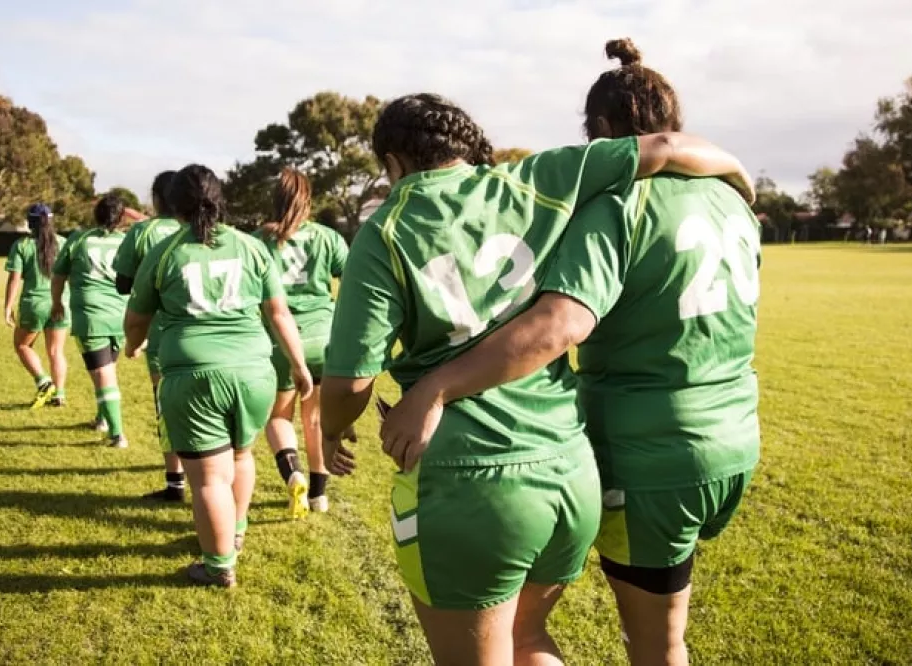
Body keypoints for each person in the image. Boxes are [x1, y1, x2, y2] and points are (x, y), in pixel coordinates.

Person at [318, 91, 753, 665]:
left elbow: (350, 380)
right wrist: (740, 173)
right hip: (571, 467)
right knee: (526, 640)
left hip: (470, 476)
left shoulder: (387, 229)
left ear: (392, 163)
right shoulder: (534, 178)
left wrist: (332, 430)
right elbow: (665, 147)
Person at [124, 164, 313, 588]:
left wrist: (133, 344)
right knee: (242, 456)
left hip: (194, 375)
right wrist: (299, 365)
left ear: (175, 206)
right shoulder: (251, 247)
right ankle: (236, 531)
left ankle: (218, 565)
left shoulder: (166, 251)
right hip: (254, 371)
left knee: (209, 477)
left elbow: (136, 318)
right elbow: (278, 312)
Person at [254, 168, 348, 519]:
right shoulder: (329, 238)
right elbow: (352, 284)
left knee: (280, 416)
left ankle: (293, 472)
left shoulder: (258, 241)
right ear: (308, 201)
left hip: (279, 341)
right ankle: (320, 496)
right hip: (323, 339)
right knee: (316, 420)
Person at [112, 171, 185, 500]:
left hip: (162, 334)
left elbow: (123, 284)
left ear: (157, 198)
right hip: (214, 334)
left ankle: (175, 481)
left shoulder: (145, 232)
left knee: (166, 407)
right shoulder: (204, 231)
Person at [52, 194, 130, 448]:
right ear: (120, 218)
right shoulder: (127, 242)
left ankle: (117, 434)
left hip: (91, 314)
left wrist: (56, 303)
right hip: (120, 315)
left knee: (103, 374)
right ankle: (103, 418)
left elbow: (59, 274)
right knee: (107, 370)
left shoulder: (79, 239)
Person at [3, 203, 70, 408]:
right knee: (56, 351)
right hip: (61, 303)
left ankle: (44, 382)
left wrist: (8, 306)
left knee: (22, 345)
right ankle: (59, 395)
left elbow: (14, 279)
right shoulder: (64, 243)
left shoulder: (22, 246)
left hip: (34, 304)